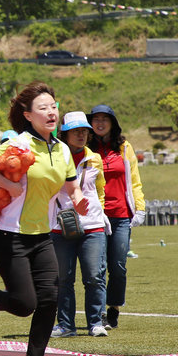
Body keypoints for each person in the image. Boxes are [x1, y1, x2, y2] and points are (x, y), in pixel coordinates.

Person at [0, 81, 88, 356]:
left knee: (50, 298)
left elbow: (70, 184)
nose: (51, 112)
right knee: (24, 304)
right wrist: (9, 185)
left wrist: (79, 199)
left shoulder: (61, 148)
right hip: (10, 235)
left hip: (42, 235)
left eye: (53, 106)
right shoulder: (19, 144)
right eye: (43, 108)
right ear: (28, 115)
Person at [49, 112, 108, 338]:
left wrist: (98, 211)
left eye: (84, 130)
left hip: (92, 225)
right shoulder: (54, 157)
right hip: (60, 225)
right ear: (65, 134)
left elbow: (99, 189)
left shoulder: (94, 158)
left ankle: (95, 323)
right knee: (64, 278)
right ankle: (66, 325)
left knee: (94, 276)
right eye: (76, 131)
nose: (82, 134)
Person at [88, 104, 144, 330]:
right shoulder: (85, 147)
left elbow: (135, 180)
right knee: (98, 267)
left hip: (121, 215)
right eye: (96, 119)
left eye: (105, 119)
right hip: (95, 216)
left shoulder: (124, 147)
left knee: (118, 266)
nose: (100, 123)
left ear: (113, 123)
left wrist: (139, 207)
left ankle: (114, 308)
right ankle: (99, 314)